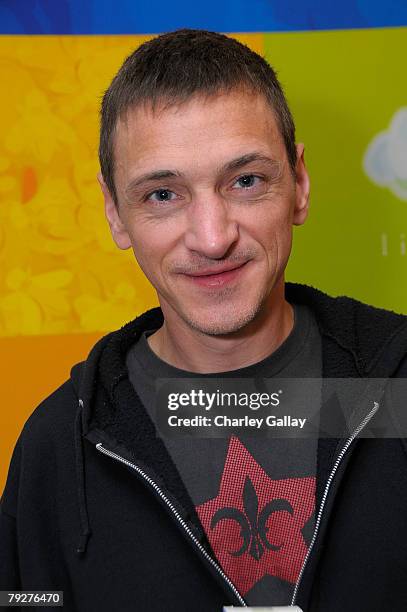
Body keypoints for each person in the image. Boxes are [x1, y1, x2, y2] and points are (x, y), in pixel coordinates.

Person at [1, 28, 407, 612]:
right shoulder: (58, 446)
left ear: (299, 185)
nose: (213, 239)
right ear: (115, 212)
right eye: (163, 195)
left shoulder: (395, 386)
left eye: (245, 181)